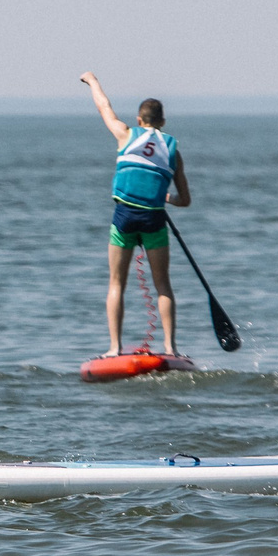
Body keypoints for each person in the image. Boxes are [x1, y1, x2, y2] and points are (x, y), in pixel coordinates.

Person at [81, 73, 192, 356]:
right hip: (154, 220)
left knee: (117, 282)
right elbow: (185, 200)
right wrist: (166, 197)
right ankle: (170, 347)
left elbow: (103, 107)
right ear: (162, 122)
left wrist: (92, 81)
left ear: (139, 120)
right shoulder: (172, 150)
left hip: (124, 218)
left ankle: (114, 348)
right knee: (163, 284)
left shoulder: (125, 134)